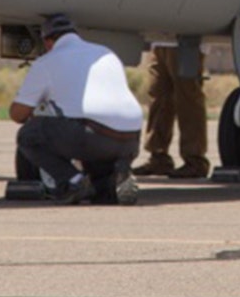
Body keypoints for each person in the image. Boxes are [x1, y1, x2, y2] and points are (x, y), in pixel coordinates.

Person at [11, 14, 143, 206]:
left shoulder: (47, 61)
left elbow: (18, 114)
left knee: (29, 135)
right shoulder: (106, 53)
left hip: (90, 137)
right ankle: (112, 181)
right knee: (99, 186)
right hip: (130, 141)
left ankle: (74, 182)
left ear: (48, 41)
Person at [134, 41, 210, 179]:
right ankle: (158, 156)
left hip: (185, 39)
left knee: (187, 96)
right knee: (158, 93)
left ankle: (195, 160)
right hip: (161, 40)